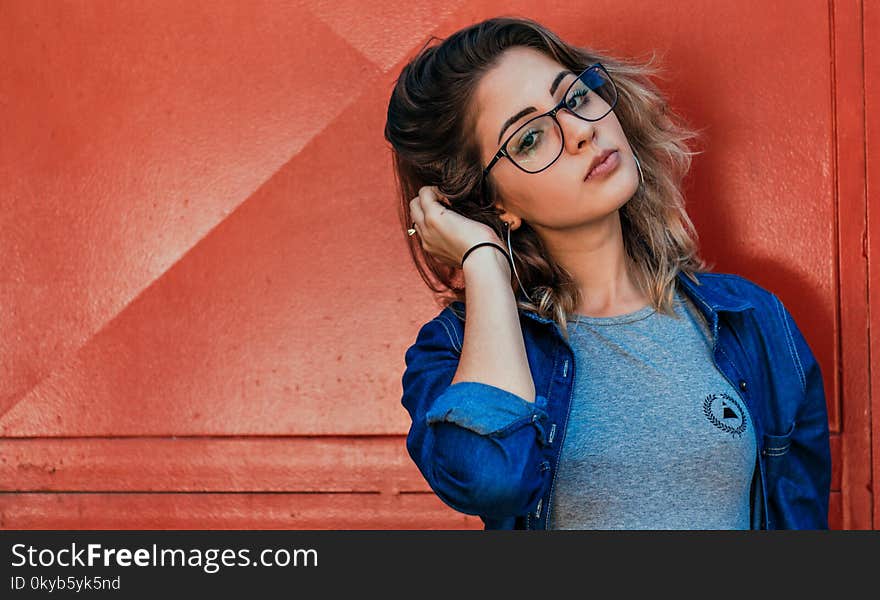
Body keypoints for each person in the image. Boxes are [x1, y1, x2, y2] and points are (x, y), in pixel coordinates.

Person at [383, 16, 831, 530]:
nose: (580, 131)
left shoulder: (753, 323)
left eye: (574, 99)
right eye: (529, 139)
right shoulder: (453, 354)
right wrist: (484, 261)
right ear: (492, 203)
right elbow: (492, 481)